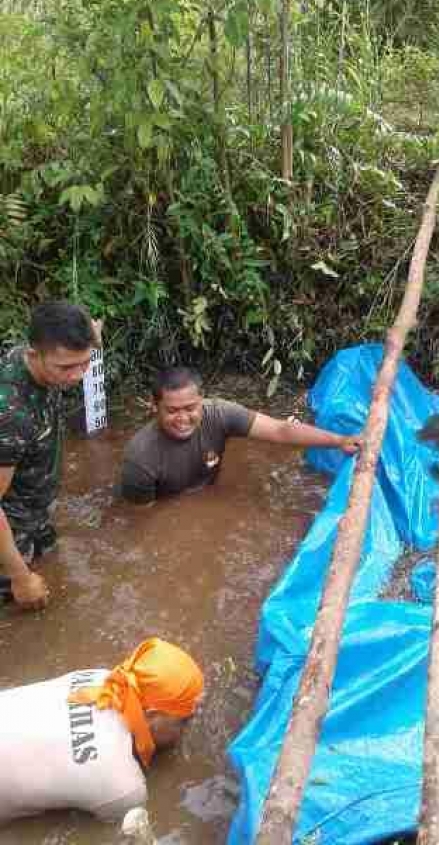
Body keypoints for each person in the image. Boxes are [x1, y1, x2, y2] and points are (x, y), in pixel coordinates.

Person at [0, 637, 203, 824]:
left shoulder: (103, 677)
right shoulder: (124, 789)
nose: (186, 728)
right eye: (184, 721)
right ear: (152, 716)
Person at [119, 366, 363, 504]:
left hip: (209, 494)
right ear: (154, 406)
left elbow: (280, 430)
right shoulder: (140, 459)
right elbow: (144, 523)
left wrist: (339, 441)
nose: (183, 418)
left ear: (202, 401)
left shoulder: (220, 414)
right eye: (172, 411)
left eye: (191, 408)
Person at [0, 301, 99, 609]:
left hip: (35, 504)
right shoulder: (11, 415)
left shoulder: (48, 358)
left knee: (52, 561)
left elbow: (81, 346)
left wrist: (91, 337)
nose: (78, 376)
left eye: (84, 363)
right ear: (33, 355)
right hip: (10, 523)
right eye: (66, 367)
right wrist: (19, 577)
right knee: (21, 606)